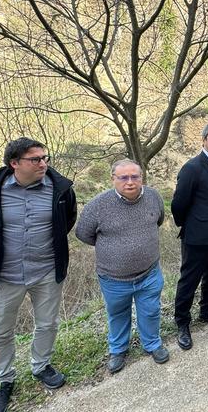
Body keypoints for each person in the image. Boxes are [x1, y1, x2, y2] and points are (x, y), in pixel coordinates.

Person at [0, 137, 77, 412]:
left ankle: (41, 366)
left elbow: (67, 221)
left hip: (46, 271)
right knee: (0, 332)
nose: (43, 163)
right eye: (35, 159)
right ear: (14, 163)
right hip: (3, 275)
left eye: (45, 157)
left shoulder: (60, 189)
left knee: (47, 323)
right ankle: (2, 381)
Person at [75, 159, 170, 374]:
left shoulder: (154, 197)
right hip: (113, 278)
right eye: (123, 177)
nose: (130, 182)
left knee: (151, 311)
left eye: (134, 177)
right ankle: (118, 350)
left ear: (141, 178)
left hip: (149, 273)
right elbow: (83, 233)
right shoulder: (97, 206)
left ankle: (152, 344)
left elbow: (158, 220)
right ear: (113, 179)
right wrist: (114, 249)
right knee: (117, 314)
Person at [171, 123, 208, 352]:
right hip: (196, 236)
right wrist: (191, 225)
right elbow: (178, 204)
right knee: (189, 281)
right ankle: (182, 323)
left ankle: (206, 311)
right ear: (204, 140)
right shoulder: (192, 167)